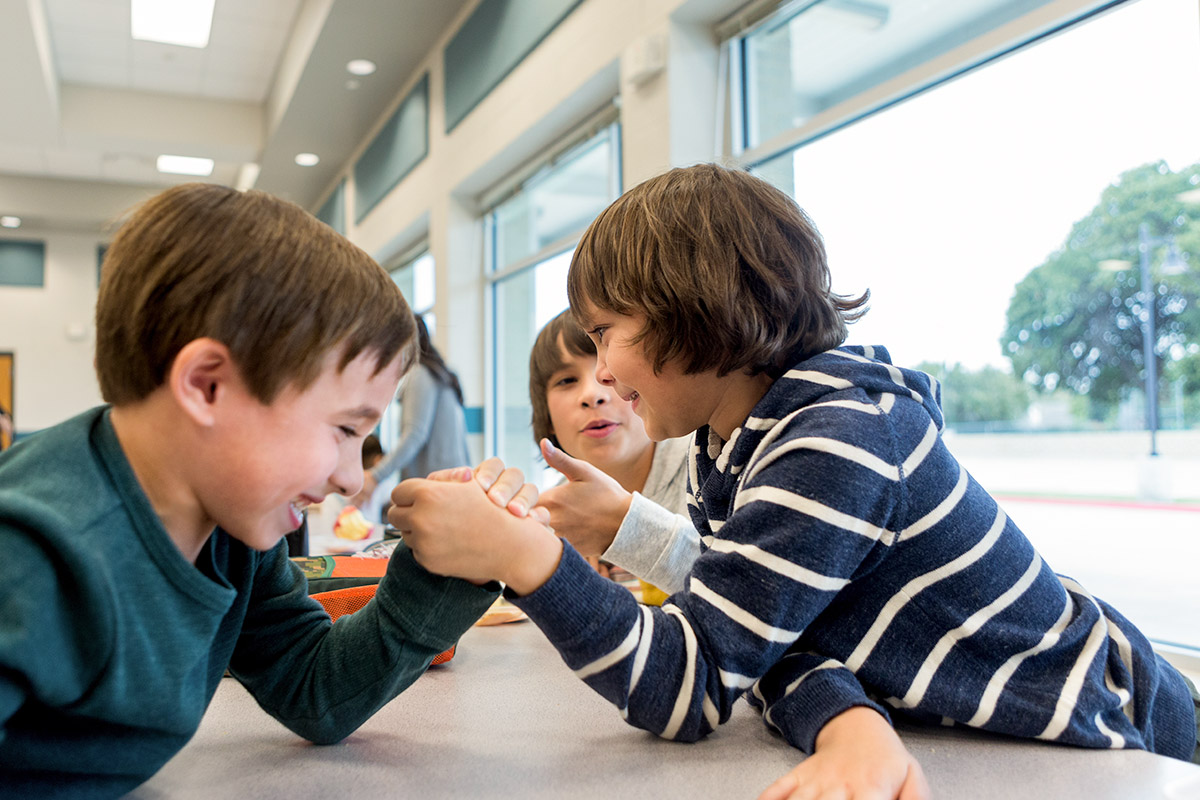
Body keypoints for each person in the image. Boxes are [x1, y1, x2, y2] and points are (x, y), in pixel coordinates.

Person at [390, 164, 1199, 799]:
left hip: (1109, 732)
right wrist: (845, 713)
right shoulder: (736, 440)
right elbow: (764, 635)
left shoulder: (835, 439)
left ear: (691, 305)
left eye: (608, 333)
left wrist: (529, 557)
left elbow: (695, 683)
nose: (600, 371)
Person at [0, 183, 502, 798]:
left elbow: (314, 690)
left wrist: (439, 573)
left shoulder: (233, 529)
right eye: (345, 428)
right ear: (208, 386)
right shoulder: (30, 557)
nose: (351, 475)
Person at [528, 308, 698, 597]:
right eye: (567, 381)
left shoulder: (706, 465)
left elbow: (747, 590)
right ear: (545, 413)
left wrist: (623, 531)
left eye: (610, 371)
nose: (592, 395)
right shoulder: (553, 514)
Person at [359, 315, 470, 502]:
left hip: (435, 489)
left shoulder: (420, 375)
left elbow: (415, 434)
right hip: (455, 485)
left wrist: (376, 476)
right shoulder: (441, 374)